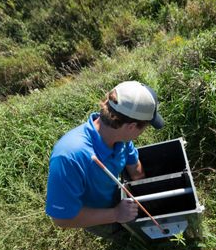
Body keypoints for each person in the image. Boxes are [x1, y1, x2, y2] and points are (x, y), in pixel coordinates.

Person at [45, 80, 164, 239]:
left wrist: (147, 193)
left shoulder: (121, 137)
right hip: (99, 217)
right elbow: (61, 218)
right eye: (144, 128)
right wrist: (116, 214)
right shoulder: (69, 157)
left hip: (118, 198)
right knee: (121, 237)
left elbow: (135, 169)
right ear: (131, 127)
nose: (140, 134)